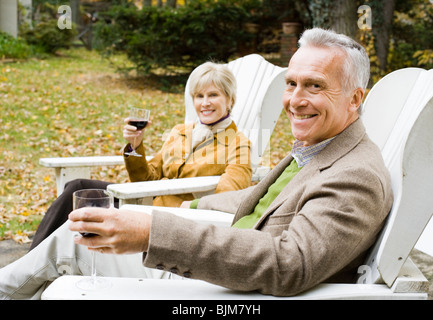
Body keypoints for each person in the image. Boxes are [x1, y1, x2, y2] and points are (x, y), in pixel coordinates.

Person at [0, 28, 393, 299]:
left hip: (226, 284)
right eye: (291, 84)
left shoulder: (355, 175)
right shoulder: (315, 148)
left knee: (74, 243)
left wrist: (156, 228)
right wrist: (188, 204)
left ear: (355, 99)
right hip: (212, 250)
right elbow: (251, 203)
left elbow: (288, 263)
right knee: (77, 226)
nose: (295, 99)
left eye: (315, 85)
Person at [29, 61, 252, 250]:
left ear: (229, 99)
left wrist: (193, 208)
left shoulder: (238, 143)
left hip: (171, 219)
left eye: (213, 95)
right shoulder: (180, 132)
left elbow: (232, 195)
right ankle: (36, 258)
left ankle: (35, 266)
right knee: (77, 188)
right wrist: (135, 146)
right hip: (142, 202)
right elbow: (146, 179)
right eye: (199, 95)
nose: (204, 103)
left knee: (81, 194)